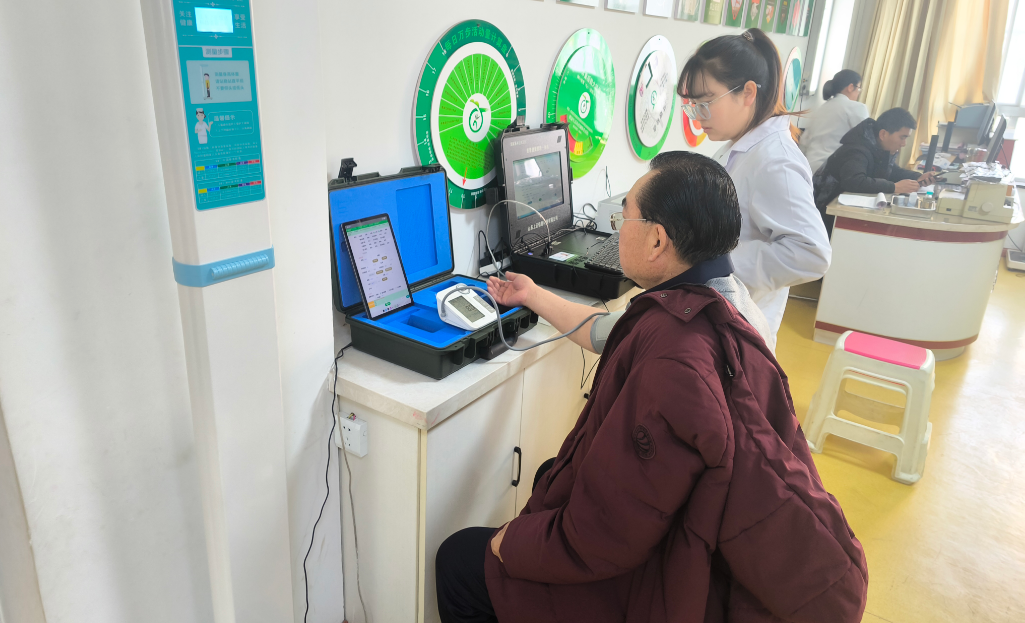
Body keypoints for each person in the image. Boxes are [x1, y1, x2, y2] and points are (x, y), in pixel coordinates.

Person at [435, 152, 868, 623]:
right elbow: (606, 332)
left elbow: (605, 535)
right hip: (691, 531)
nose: (618, 229)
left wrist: (511, 543)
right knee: (549, 474)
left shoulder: (674, 364)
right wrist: (532, 294)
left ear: (658, 239)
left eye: (624, 217)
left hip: (665, 575)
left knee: (460, 559)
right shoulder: (723, 303)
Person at [678, 29, 831, 352]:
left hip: (740, 329)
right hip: (718, 315)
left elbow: (812, 254)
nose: (698, 116)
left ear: (748, 92)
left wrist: (716, 264)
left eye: (706, 103)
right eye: (693, 105)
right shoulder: (742, 146)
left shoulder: (776, 160)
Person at [813, 107, 937, 233]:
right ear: (883, 134)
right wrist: (894, 187)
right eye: (902, 137)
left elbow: (893, 171)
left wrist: (917, 177)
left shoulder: (877, 147)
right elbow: (854, 181)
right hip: (823, 215)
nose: (904, 143)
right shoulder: (857, 150)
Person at [799, 69, 870, 173]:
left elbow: (803, 143)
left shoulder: (820, 109)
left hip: (808, 168)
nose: (858, 94)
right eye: (859, 88)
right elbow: (868, 141)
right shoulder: (856, 108)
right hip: (832, 171)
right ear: (851, 87)